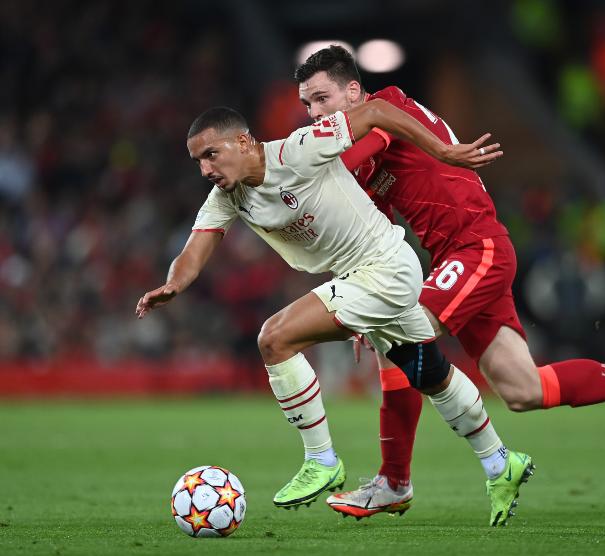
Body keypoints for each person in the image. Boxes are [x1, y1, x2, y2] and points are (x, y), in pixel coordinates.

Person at [293, 45, 605, 524]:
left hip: (477, 247)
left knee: (403, 332)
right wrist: (354, 294)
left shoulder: (385, 108)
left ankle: (394, 481)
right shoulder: (364, 156)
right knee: (523, 389)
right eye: (307, 105)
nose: (314, 114)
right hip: (457, 256)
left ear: (354, 91)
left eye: (322, 99)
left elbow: (343, 164)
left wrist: (292, 173)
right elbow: (372, 232)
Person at [135, 98, 530, 525]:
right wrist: (174, 283)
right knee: (427, 371)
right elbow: (194, 250)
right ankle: (500, 462)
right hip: (362, 276)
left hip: (385, 268)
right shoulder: (227, 199)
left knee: (274, 338)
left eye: (211, 155)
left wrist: (443, 151)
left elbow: (377, 110)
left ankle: (321, 459)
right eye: (198, 161)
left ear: (244, 141)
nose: (206, 170)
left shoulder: (299, 149)